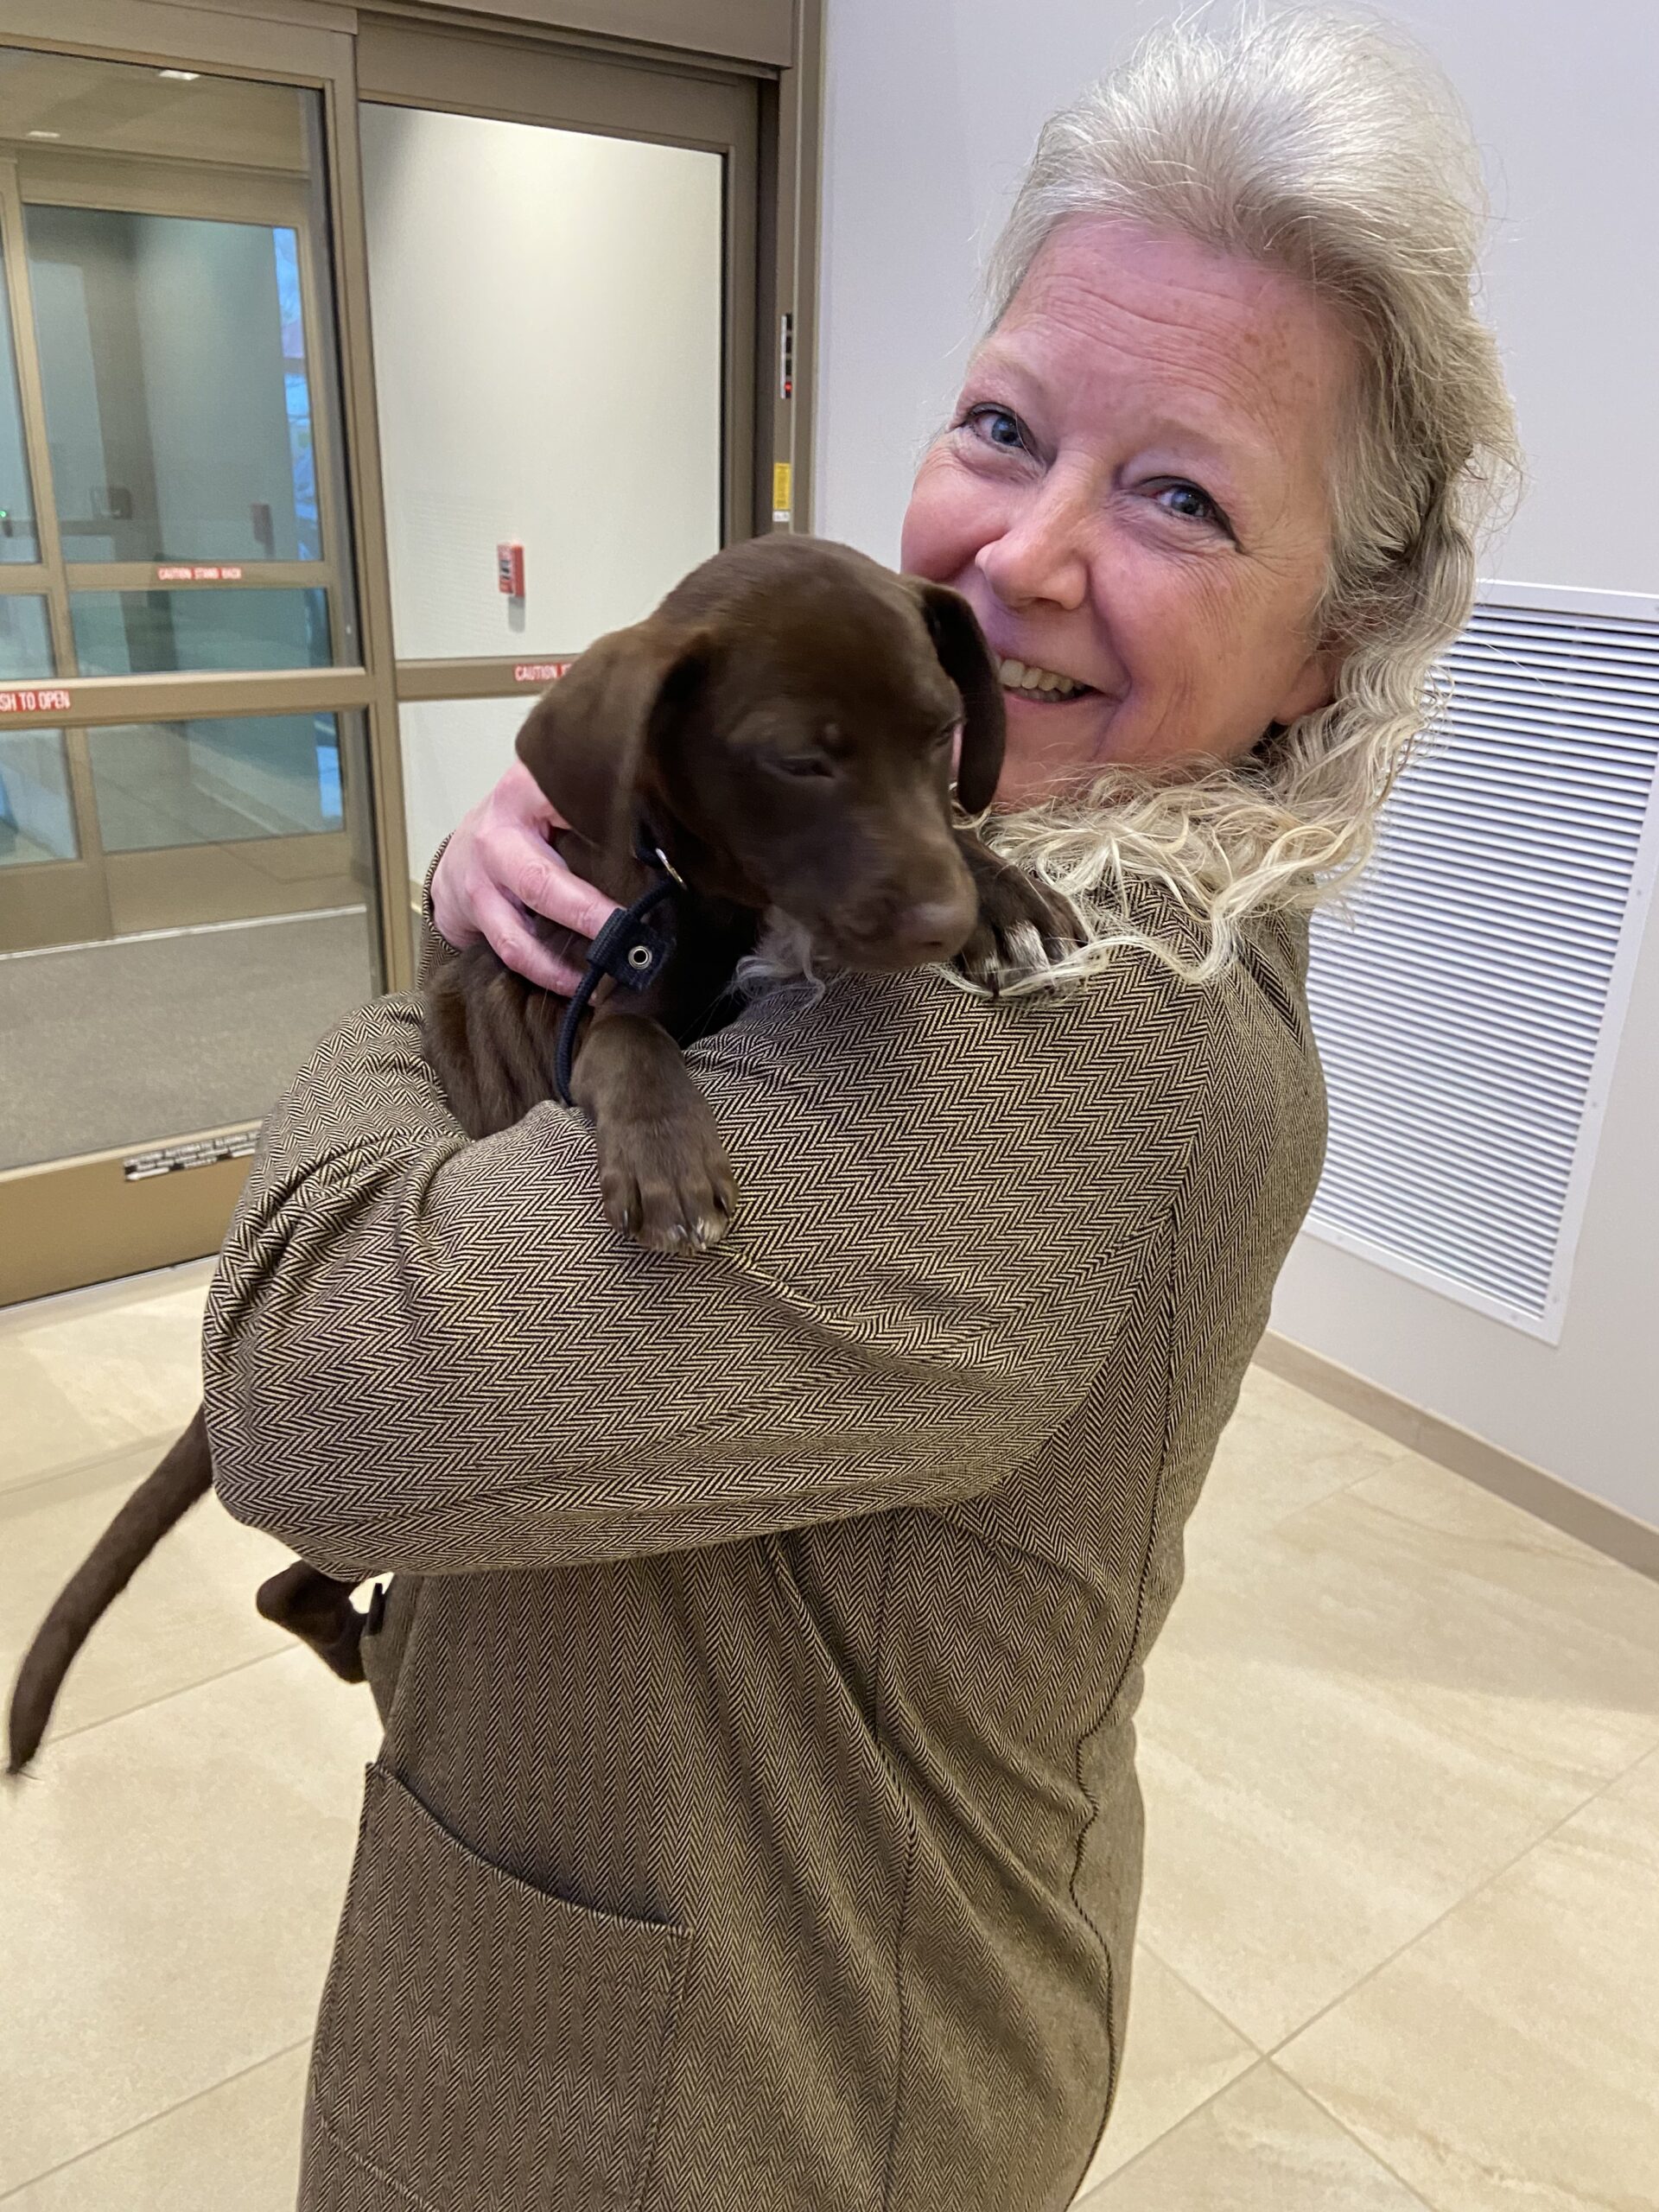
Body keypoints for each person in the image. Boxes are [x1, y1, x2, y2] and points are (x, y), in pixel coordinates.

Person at [202, 12, 1520, 2209]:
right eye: (1005, 424)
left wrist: (454, 946)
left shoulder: (1065, 1033)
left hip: (721, 2106)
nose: (1027, 552)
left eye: (1183, 495)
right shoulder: (984, 882)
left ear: (1332, 645)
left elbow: (305, 1387)